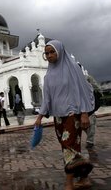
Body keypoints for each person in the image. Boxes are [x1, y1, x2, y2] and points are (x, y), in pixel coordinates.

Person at [34, 40, 94, 190]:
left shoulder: (72, 68)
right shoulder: (48, 76)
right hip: (58, 117)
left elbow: (81, 90)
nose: (49, 55)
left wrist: (85, 113)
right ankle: (84, 177)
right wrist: (39, 117)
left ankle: (69, 183)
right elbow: (47, 99)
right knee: (71, 147)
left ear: (60, 51)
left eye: (52, 52)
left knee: (68, 147)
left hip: (73, 114)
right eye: (46, 53)